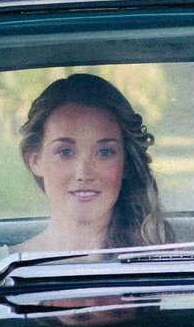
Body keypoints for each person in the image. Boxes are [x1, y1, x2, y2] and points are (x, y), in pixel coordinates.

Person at [14, 73, 172, 251]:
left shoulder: (164, 265)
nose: (84, 173)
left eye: (104, 152)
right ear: (35, 162)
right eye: (65, 152)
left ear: (126, 163)